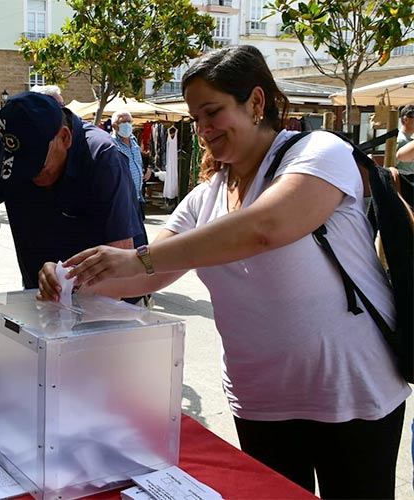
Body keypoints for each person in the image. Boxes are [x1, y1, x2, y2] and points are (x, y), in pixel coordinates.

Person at [39, 45, 409, 499]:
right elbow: (150, 273)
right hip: (261, 400)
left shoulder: (319, 153)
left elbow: (266, 228)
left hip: (349, 392)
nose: (204, 130)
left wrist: (138, 259)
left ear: (256, 102)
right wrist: (71, 278)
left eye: (212, 112)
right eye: (196, 119)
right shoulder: (206, 197)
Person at [0, 91, 145, 307]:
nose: (31, 178)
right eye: (23, 171)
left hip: (111, 304)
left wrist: (68, 287)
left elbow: (121, 257)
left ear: (65, 138)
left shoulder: (103, 157)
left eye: (38, 167)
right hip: (43, 294)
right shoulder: (9, 150)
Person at [112, 110, 147, 220]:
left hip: (138, 196)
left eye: (129, 121)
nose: (127, 124)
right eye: (124, 122)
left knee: (139, 233)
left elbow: (137, 162)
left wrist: (146, 170)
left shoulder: (134, 140)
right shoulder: (112, 144)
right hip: (123, 199)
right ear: (115, 126)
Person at [396, 104, 414, 173]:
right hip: (404, 180)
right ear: (406, 119)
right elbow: (391, 166)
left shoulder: (409, 139)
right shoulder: (400, 140)